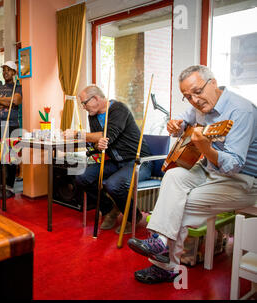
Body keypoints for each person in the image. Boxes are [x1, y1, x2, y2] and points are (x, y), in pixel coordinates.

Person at [128, 65, 257, 284]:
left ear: (213, 83)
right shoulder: (201, 106)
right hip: (209, 170)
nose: (194, 100)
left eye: (197, 92)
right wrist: (177, 125)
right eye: (187, 96)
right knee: (173, 175)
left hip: (242, 179)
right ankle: (161, 245)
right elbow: (184, 119)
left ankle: (164, 260)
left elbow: (234, 165)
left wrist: (206, 148)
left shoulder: (241, 111)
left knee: (182, 204)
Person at [64, 85, 153, 234]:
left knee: (113, 185)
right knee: (81, 177)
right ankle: (109, 209)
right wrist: (98, 145)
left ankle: (133, 216)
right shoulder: (92, 116)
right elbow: (100, 141)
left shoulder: (119, 110)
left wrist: (78, 134)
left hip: (139, 161)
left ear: (96, 98)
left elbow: (107, 135)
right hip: (116, 162)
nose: (84, 107)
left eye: (84, 103)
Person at [0, 61, 22, 199]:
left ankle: (10, 187)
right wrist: (4, 100)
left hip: (12, 125)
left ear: (14, 72)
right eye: (4, 70)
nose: (5, 72)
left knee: (11, 157)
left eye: (8, 70)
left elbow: (16, 101)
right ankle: (1, 185)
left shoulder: (17, 87)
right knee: (0, 156)